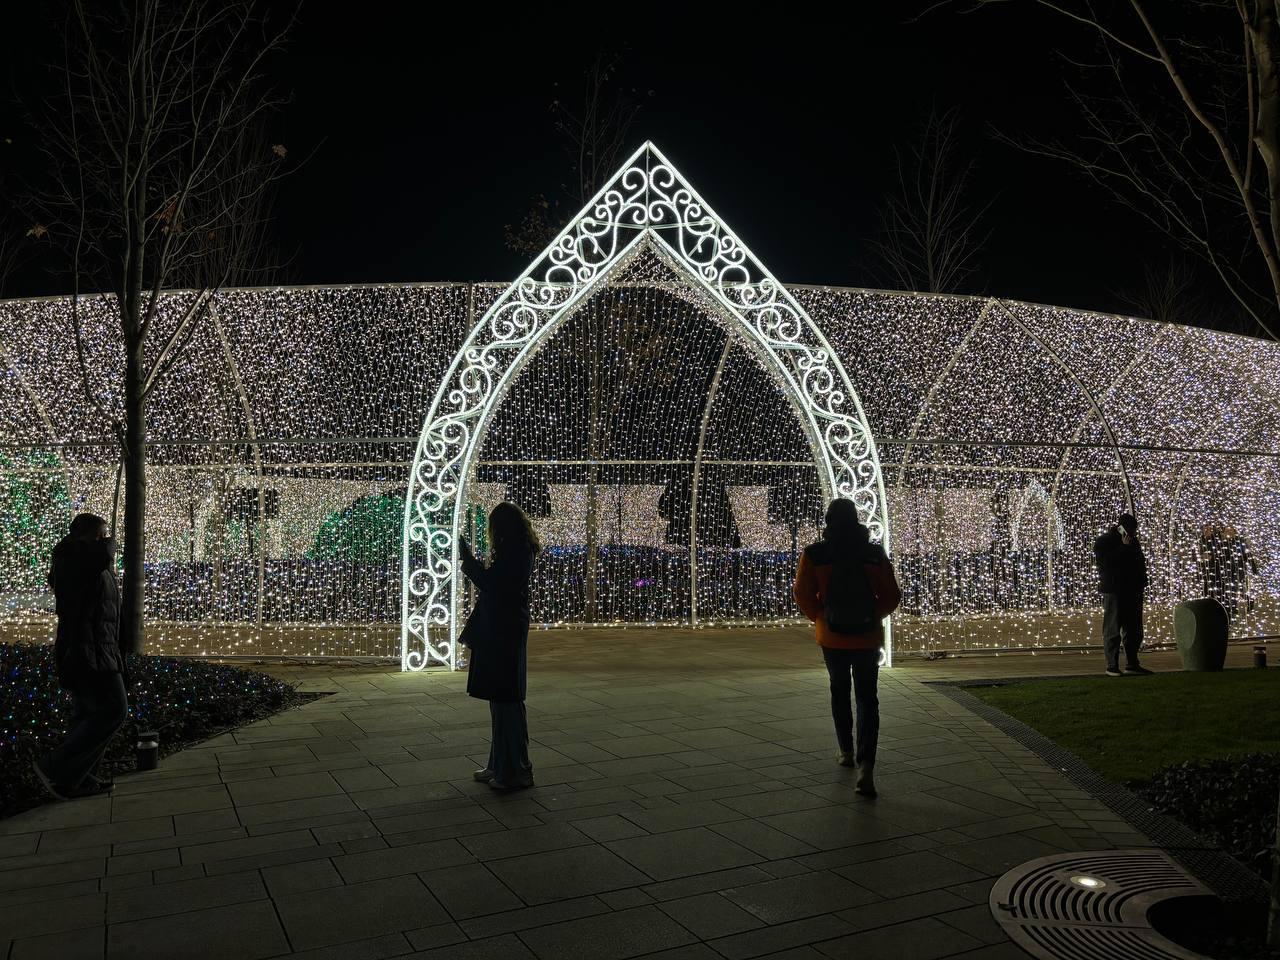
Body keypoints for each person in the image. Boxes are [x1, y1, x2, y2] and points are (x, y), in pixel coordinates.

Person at [793, 498, 902, 797]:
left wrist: (822, 616)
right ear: (856, 519)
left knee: (839, 691)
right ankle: (866, 766)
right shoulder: (873, 554)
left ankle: (845, 751)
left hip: (832, 637)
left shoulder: (815, 553)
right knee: (867, 698)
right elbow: (892, 595)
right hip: (867, 637)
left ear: (828, 520)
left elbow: (801, 593)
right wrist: (872, 615)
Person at [33, 513, 127, 800]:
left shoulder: (85, 562)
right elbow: (96, 562)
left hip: (97, 649)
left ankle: (76, 780)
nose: (106, 540)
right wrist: (105, 545)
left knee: (88, 714)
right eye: (100, 535)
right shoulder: (77, 561)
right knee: (114, 710)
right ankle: (54, 767)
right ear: (82, 536)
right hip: (86, 651)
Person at [459, 501, 540, 791]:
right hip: (501, 629)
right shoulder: (515, 549)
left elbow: (495, 584)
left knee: (506, 699)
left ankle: (514, 770)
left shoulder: (517, 551)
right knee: (500, 700)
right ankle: (500, 764)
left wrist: (469, 562)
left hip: (504, 631)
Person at [1093, 513, 1151, 677]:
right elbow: (1104, 563)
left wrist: (1142, 582)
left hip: (1132, 590)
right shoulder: (1105, 541)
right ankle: (1112, 665)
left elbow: (1139, 562)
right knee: (1113, 628)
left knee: (1134, 629)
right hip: (1115, 590)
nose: (1133, 533)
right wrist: (1124, 548)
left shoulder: (1133, 541)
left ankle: (1132, 663)